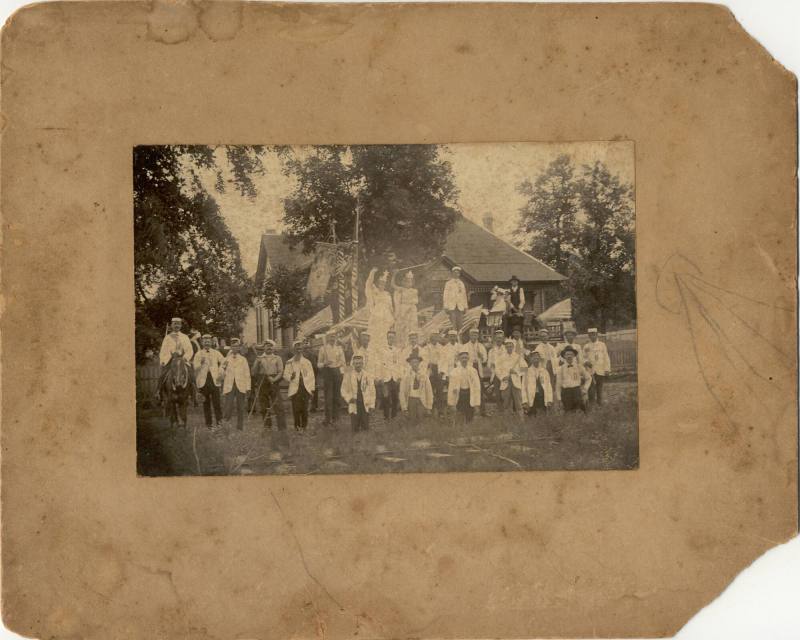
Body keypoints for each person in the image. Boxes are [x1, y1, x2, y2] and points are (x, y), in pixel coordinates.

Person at [283, 340, 316, 431]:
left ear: (302, 349)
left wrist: (312, 388)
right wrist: (291, 377)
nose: (298, 349)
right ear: (294, 349)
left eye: (300, 348)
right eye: (297, 348)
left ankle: (304, 426)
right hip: (295, 388)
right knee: (296, 408)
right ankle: (297, 426)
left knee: (305, 408)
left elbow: (311, 376)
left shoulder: (307, 362)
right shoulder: (289, 362)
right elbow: (285, 375)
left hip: (305, 388)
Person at [193, 334, 224, 428]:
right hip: (203, 382)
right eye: (205, 341)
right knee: (206, 404)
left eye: (208, 341)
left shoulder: (216, 352)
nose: (207, 342)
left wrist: (221, 372)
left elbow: (224, 361)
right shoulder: (198, 354)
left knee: (217, 403)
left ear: (211, 342)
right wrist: (200, 364)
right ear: (202, 343)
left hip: (214, 380)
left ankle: (219, 423)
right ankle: (209, 425)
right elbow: (195, 368)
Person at [365, 267, 395, 364]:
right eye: (380, 283)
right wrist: (372, 273)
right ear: (378, 283)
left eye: (384, 283)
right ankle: (374, 359)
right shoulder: (375, 291)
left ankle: (384, 360)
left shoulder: (387, 294)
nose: (382, 285)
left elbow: (391, 307)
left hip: (386, 318)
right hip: (376, 316)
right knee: (375, 336)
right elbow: (368, 284)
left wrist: (393, 318)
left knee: (384, 337)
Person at [221, 338, 251, 430]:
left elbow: (247, 374)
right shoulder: (226, 359)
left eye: (237, 346)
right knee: (228, 407)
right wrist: (223, 368)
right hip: (229, 386)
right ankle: (225, 426)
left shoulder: (243, 359)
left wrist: (248, 387)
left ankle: (240, 427)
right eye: (233, 346)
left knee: (240, 407)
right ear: (231, 347)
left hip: (240, 386)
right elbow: (220, 373)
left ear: (239, 348)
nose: (235, 348)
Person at [317, 331, 346, 427]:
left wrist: (341, 371)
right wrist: (325, 363)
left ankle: (336, 417)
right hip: (328, 373)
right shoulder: (323, 349)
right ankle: (328, 419)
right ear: (327, 338)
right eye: (330, 337)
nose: (332, 339)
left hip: (337, 373)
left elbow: (343, 362)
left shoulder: (339, 348)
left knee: (337, 396)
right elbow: (319, 364)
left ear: (336, 338)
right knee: (328, 397)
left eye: (334, 337)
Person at [256, 340, 286, 431]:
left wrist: (274, 379)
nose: (269, 347)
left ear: (273, 348)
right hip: (263, 381)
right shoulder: (260, 358)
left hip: (274, 381)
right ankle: (267, 427)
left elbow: (281, 372)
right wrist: (257, 363)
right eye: (267, 345)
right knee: (264, 405)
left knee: (278, 405)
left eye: (271, 345)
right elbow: (253, 372)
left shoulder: (277, 358)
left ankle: (282, 427)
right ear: (264, 347)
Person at [341, 354, 375, 432]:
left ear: (363, 364)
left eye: (360, 363)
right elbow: (343, 389)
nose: (358, 365)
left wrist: (372, 404)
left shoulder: (367, 375)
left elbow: (372, 391)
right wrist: (349, 398)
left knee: (366, 428)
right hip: (354, 403)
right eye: (356, 363)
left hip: (364, 403)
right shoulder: (348, 375)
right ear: (353, 364)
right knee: (355, 429)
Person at [447, 349, 482, 424]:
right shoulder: (454, 371)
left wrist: (477, 402)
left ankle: (469, 423)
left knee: (469, 409)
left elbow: (477, 385)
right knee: (460, 410)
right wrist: (451, 401)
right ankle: (461, 424)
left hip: (469, 392)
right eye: (462, 358)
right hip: (460, 393)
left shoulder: (473, 371)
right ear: (459, 359)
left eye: (466, 358)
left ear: (468, 359)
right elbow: (451, 387)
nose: (464, 360)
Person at [495, 338, 527, 416]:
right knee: (506, 402)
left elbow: (525, 368)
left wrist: (517, 372)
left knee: (518, 402)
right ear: (505, 347)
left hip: (516, 382)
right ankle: (508, 420)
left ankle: (520, 420)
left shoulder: (518, 356)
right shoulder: (501, 357)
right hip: (505, 382)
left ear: (513, 347)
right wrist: (502, 377)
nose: (509, 348)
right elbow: (497, 370)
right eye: (507, 346)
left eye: (511, 346)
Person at [556, 345, 592, 412]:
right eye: (567, 354)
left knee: (580, 413)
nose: (569, 356)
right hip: (566, 393)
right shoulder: (560, 369)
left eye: (571, 354)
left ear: (574, 356)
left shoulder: (579, 366)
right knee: (568, 414)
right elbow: (558, 385)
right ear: (564, 356)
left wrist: (585, 389)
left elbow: (588, 378)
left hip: (577, 392)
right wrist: (559, 398)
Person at [399, 353, 433, 421]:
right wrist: (404, 408)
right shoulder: (406, 376)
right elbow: (402, 392)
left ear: (419, 363)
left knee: (421, 420)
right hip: (411, 400)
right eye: (412, 362)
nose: (415, 364)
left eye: (416, 362)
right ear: (410, 364)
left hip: (421, 400)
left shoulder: (424, 375)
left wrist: (429, 407)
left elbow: (429, 391)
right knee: (412, 421)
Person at [583, 328, 611, 406]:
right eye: (590, 335)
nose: (592, 336)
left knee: (599, 387)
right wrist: (586, 362)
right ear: (588, 336)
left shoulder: (602, 345)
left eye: (594, 334)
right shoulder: (586, 346)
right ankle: (591, 403)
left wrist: (607, 369)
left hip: (600, 369)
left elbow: (606, 357)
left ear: (597, 335)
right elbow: (583, 357)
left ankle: (599, 403)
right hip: (590, 370)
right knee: (591, 387)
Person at [464, 328, 488, 415]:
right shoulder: (465, 346)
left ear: (477, 336)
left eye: (475, 335)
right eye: (472, 335)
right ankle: (470, 410)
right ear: (469, 336)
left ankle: (483, 411)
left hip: (478, 368)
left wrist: (481, 356)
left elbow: (485, 359)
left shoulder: (481, 346)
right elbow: (462, 358)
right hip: (469, 368)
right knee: (469, 388)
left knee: (480, 389)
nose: (474, 336)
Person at [380, 330, 402, 421]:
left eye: (392, 337)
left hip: (395, 377)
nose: (391, 339)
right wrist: (380, 377)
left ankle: (394, 416)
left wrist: (400, 376)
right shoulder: (382, 350)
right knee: (386, 397)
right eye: (389, 337)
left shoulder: (397, 350)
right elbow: (379, 364)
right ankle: (386, 417)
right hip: (386, 378)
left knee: (395, 397)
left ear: (394, 338)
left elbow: (400, 364)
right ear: (387, 338)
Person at [392, 270, 419, 347]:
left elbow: (416, 300)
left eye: (410, 281)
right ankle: (401, 343)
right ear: (404, 282)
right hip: (403, 309)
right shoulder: (401, 289)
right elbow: (393, 285)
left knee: (411, 326)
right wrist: (394, 274)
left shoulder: (414, 291)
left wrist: (411, 305)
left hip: (411, 309)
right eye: (407, 281)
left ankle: (410, 343)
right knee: (402, 326)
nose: (408, 283)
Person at [522, 350, 553, 416]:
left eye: (537, 357)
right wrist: (524, 401)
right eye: (533, 357)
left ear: (539, 358)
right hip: (531, 397)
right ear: (531, 359)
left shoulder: (544, 371)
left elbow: (549, 386)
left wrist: (549, 400)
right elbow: (523, 387)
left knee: (543, 415)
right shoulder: (527, 371)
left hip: (542, 396)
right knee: (532, 416)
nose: (536, 358)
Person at [442, 265, 468, 332]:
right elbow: (445, 295)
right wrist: (446, 306)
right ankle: (454, 337)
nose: (457, 274)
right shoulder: (448, 283)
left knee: (460, 324)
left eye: (458, 273)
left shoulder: (461, 283)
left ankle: (460, 338)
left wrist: (465, 306)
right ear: (452, 273)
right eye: (455, 272)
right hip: (452, 306)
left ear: (459, 274)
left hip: (460, 306)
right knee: (453, 323)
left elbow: (464, 295)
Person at [425, 332, 445, 417]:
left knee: (440, 391)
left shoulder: (441, 348)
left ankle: (440, 411)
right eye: (432, 337)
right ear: (430, 338)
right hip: (430, 369)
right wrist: (428, 367)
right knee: (430, 390)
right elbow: (424, 359)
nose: (434, 339)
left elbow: (444, 360)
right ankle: (430, 410)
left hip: (439, 370)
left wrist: (442, 371)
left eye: (436, 337)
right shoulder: (426, 348)